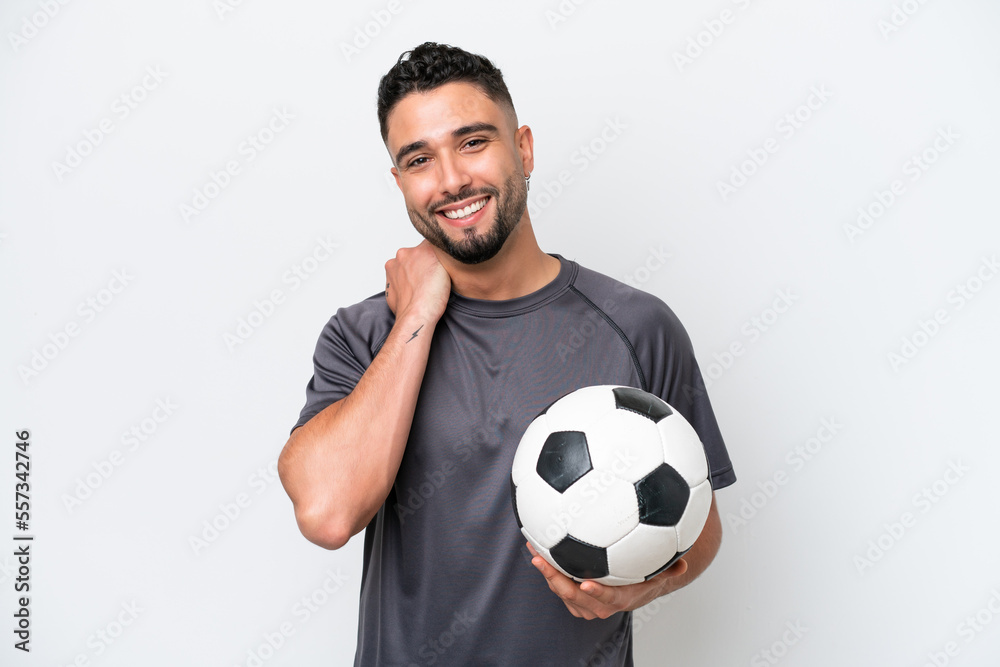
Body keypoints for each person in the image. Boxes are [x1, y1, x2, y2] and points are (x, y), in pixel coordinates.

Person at [277, 42, 736, 666]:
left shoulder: (638, 327)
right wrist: (417, 314)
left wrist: (643, 589)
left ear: (521, 147)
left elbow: (697, 527)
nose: (451, 179)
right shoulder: (362, 335)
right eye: (419, 159)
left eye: (473, 142)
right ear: (400, 182)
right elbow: (328, 513)